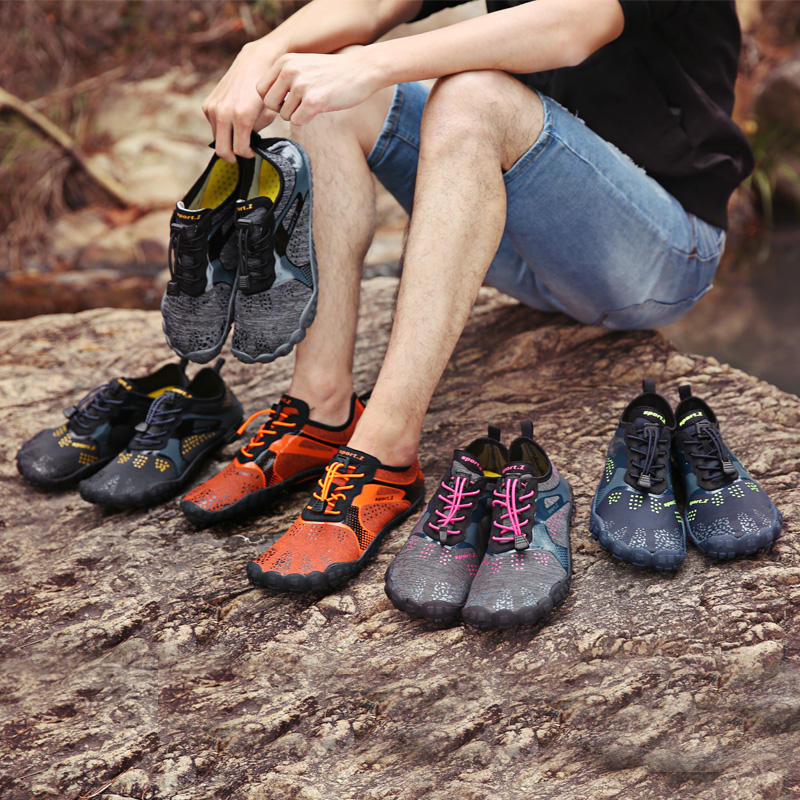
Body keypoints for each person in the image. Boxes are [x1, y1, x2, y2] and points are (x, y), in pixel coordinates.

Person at [189, 0, 753, 593]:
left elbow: (574, 23)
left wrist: (372, 64)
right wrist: (264, 50)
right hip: (526, 238)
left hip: (656, 254)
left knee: (471, 96)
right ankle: (321, 408)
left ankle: (384, 454)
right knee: (319, 93)